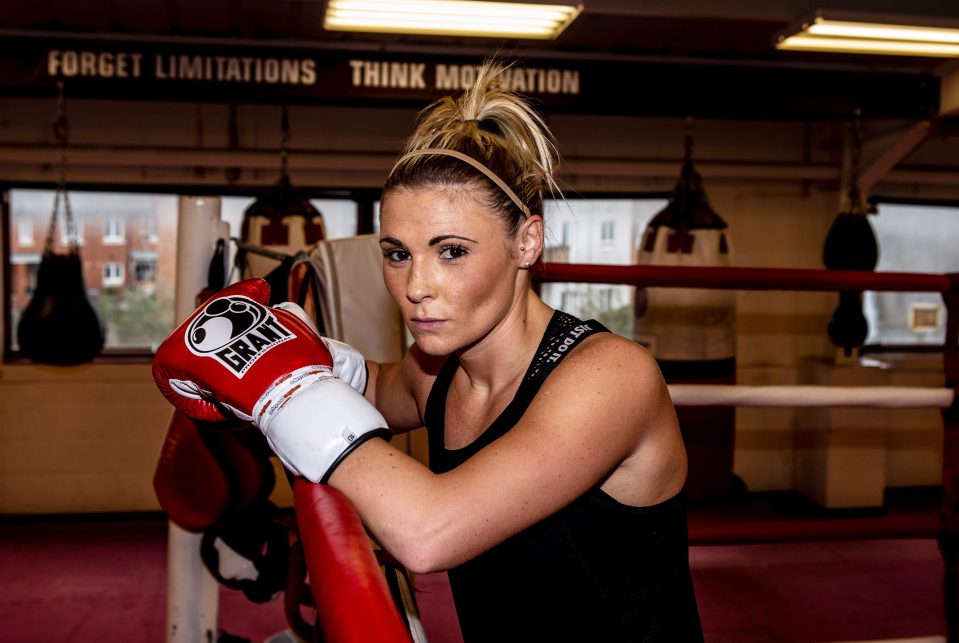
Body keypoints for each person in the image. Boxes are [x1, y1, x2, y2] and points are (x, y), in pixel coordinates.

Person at [154, 61, 703, 642]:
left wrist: (287, 394)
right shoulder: (436, 373)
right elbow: (369, 384)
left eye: (452, 252)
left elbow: (427, 533)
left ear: (528, 241)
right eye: (397, 254)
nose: (416, 286)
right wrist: (284, 349)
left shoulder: (610, 377)